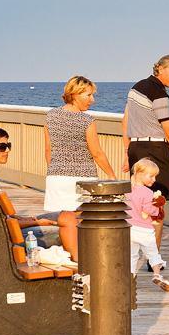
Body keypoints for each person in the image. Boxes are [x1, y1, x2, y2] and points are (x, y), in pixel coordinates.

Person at [43, 75, 116, 260]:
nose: (92, 100)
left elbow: (48, 151)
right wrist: (111, 174)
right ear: (74, 94)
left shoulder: (50, 116)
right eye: (89, 95)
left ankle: (72, 259)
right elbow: (97, 153)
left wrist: (57, 170)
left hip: (56, 176)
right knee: (82, 220)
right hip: (81, 179)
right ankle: (81, 259)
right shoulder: (86, 121)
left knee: (65, 220)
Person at [122, 54, 169, 251]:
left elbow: (125, 121)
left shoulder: (136, 88)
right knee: (157, 204)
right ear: (159, 68)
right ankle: (153, 254)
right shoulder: (159, 93)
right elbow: (168, 129)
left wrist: (127, 151)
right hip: (156, 150)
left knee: (136, 202)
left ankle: (133, 249)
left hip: (136, 148)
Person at [0, 125, 63, 248]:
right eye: (2, 147)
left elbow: (2, 217)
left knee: (65, 216)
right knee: (66, 230)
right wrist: (38, 222)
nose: (7, 150)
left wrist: (26, 219)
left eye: (8, 146)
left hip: (9, 228)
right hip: (6, 239)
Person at [126, 158, 169, 291]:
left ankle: (131, 277)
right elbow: (148, 210)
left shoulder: (127, 190)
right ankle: (157, 275)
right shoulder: (147, 192)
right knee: (153, 254)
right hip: (144, 230)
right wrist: (158, 209)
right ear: (139, 174)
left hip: (130, 228)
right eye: (151, 176)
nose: (154, 180)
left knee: (132, 255)